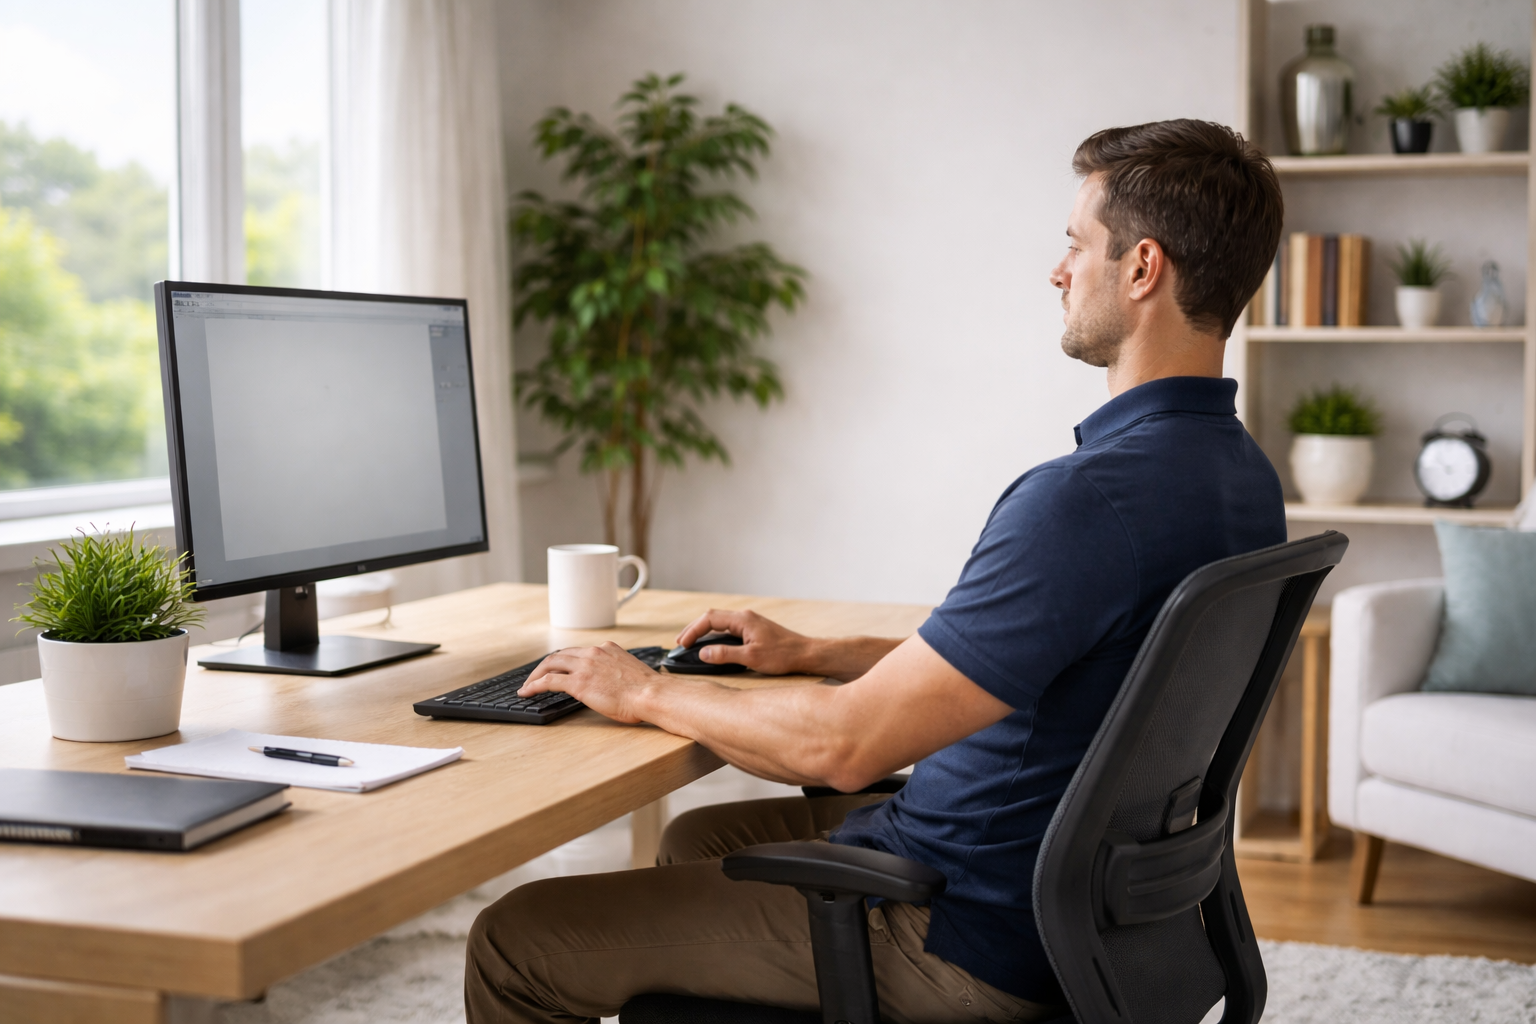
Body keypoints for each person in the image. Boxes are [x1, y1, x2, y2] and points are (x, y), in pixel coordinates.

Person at [466, 118, 1287, 1024]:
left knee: (516, 940)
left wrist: (641, 692)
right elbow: (1052, 660)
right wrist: (822, 652)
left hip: (963, 929)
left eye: (1074, 244)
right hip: (1086, 905)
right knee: (706, 833)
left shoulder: (1085, 501)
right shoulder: (1238, 480)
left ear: (1142, 268)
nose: (1058, 270)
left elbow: (842, 748)